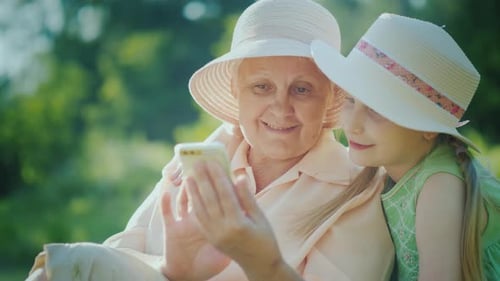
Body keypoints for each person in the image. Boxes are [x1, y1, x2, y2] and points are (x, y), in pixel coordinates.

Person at [26, 1, 395, 280]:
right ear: (237, 92)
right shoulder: (195, 163)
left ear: (330, 97)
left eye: (302, 89)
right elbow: (120, 251)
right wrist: (174, 268)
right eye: (262, 86)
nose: (281, 108)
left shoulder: (358, 186)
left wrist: (259, 260)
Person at [310, 13, 500, 281]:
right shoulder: (391, 169)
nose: (353, 125)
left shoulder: (439, 184)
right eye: (350, 99)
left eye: (377, 110)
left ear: (427, 127)